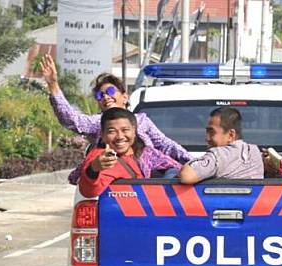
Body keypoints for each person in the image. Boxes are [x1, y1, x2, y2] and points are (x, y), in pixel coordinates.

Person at [40, 54, 191, 184]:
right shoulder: (97, 123)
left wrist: (193, 162)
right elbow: (72, 120)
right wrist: (53, 85)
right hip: (114, 187)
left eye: (110, 91)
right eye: (100, 95)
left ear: (125, 96)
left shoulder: (142, 121)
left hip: (147, 185)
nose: (106, 96)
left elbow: (167, 145)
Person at [79, 108, 182, 198]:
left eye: (125, 130)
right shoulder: (105, 158)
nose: (119, 136)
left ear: (134, 131)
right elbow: (88, 191)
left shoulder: (145, 152)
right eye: (112, 131)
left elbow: (176, 166)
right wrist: (93, 169)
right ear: (102, 134)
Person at [179, 107, 264, 184]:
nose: (207, 138)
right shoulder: (254, 151)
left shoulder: (219, 155)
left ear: (231, 135)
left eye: (211, 132)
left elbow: (187, 176)